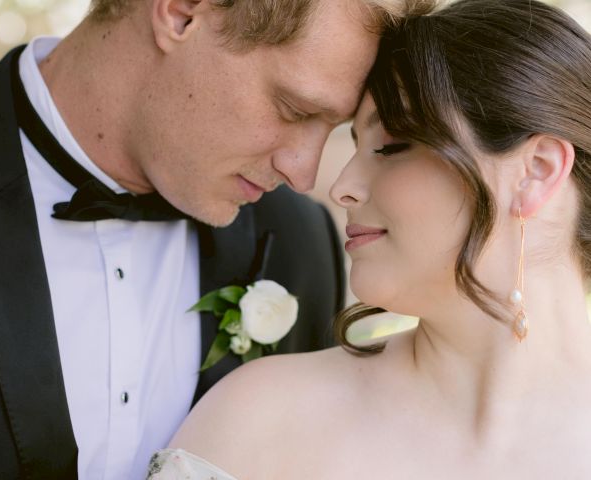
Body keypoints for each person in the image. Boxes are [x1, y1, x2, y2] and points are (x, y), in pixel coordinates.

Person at [0, 0, 398, 478]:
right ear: (181, 14)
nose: (303, 173)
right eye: (293, 109)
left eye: (333, 130)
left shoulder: (299, 243)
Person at [156, 0, 591, 478]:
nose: (342, 186)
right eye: (356, 146)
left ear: (536, 172)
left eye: (390, 146)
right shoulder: (264, 419)